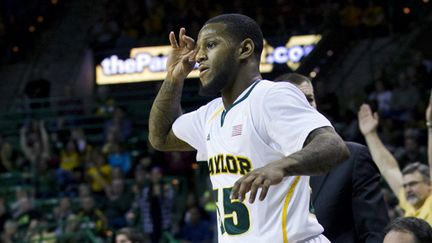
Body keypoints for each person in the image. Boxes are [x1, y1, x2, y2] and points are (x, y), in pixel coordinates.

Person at [148, 13, 349, 242]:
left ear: (244, 49)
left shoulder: (270, 95)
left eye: (211, 45)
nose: (198, 56)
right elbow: (160, 137)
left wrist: (281, 166)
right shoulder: (210, 114)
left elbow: (333, 146)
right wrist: (174, 77)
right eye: (199, 48)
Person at [278, 73, 389, 242]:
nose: (305, 106)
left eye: (309, 99)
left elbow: (375, 234)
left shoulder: (352, 158)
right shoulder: (258, 164)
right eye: (294, 99)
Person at [358, 103, 432, 224]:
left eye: (413, 184)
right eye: (405, 185)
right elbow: (388, 169)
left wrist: (430, 126)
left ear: (429, 184)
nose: (408, 189)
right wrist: (370, 134)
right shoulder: (409, 205)